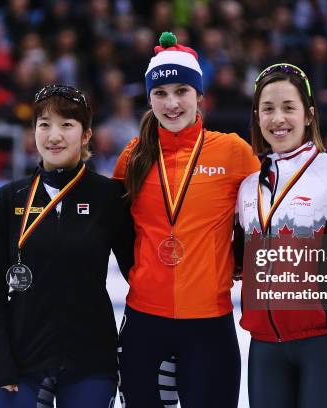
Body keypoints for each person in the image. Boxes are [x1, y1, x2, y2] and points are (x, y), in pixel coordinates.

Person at [112, 32, 260, 407]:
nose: (172, 102)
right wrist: (137, 271)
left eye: (182, 91)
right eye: (160, 93)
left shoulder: (233, 152)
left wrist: (239, 261)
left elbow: (265, 215)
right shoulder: (133, 156)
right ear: (149, 99)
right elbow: (114, 227)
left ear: (200, 97)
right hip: (145, 321)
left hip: (209, 322)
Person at [235, 63, 327, 407]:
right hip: (265, 346)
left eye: (289, 107)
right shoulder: (247, 188)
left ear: (309, 115)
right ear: (257, 116)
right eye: (268, 109)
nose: (278, 118)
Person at [0, 84, 134, 408]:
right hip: (21, 362)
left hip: (90, 362)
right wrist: (1, 361)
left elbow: (139, 273)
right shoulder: (9, 199)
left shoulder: (109, 197)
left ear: (86, 134)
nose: (54, 135)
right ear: (33, 132)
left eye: (66, 125)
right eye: (44, 124)